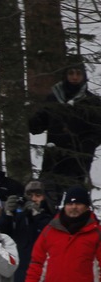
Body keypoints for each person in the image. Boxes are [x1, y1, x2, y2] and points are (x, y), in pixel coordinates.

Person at [29, 63, 101, 205]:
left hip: (78, 161)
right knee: (47, 203)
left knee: (76, 205)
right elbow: (37, 126)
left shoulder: (92, 102)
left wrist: (88, 145)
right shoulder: (53, 99)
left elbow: (98, 130)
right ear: (65, 75)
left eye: (78, 73)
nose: (74, 77)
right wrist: (32, 119)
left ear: (84, 76)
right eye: (71, 73)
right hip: (53, 160)